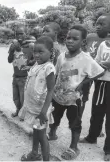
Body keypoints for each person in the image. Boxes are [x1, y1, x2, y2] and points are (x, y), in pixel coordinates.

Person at [47, 25, 105, 160]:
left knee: (75, 123)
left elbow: (99, 72)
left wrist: (83, 84)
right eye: (68, 38)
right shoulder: (61, 56)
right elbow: (57, 73)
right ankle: (53, 133)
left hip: (74, 99)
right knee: (54, 117)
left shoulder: (86, 59)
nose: (70, 41)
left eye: (75, 38)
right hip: (58, 96)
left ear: (83, 42)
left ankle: (74, 147)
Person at [79, 13, 110, 161]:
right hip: (101, 83)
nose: (97, 26)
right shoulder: (103, 45)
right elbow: (96, 62)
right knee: (96, 112)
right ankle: (92, 137)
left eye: (101, 24)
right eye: (97, 23)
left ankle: (108, 150)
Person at [20, 36, 55, 161]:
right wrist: (29, 68)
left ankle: (46, 159)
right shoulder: (37, 64)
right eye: (35, 51)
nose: (37, 55)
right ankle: (34, 153)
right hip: (33, 106)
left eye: (41, 52)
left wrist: (44, 112)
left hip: (41, 110)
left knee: (42, 137)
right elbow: (36, 75)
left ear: (50, 52)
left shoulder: (49, 67)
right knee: (35, 131)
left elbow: (51, 90)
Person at [8, 28, 32, 118]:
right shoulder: (13, 46)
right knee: (15, 97)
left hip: (25, 77)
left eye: (21, 34)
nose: (19, 36)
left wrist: (27, 63)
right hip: (15, 76)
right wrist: (11, 51)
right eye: (17, 34)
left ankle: (23, 113)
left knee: (23, 98)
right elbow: (9, 60)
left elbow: (36, 60)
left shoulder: (30, 46)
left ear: (25, 34)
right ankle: (18, 110)